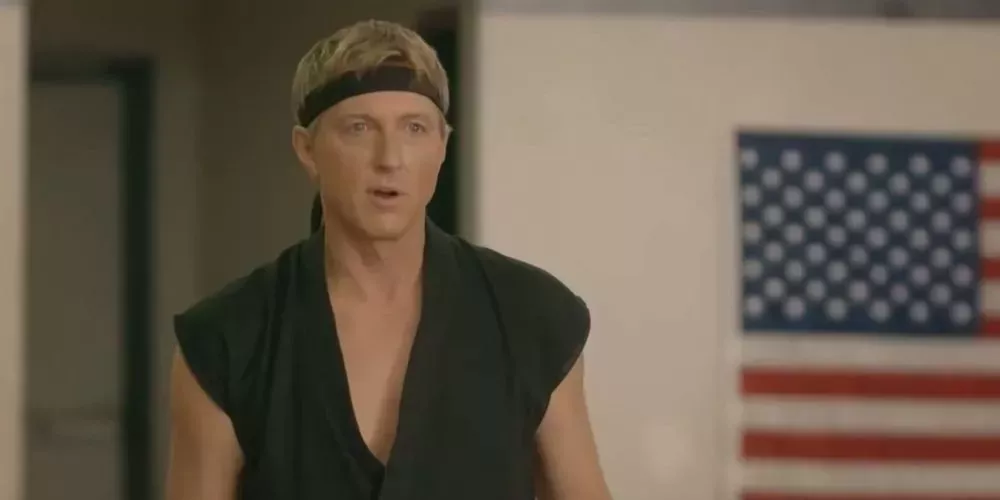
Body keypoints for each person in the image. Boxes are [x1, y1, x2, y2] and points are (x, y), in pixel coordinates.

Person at [166, 19, 613, 500]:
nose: (390, 159)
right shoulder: (228, 339)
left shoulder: (531, 316)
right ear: (307, 149)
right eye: (359, 128)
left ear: (441, 147)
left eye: (414, 128)